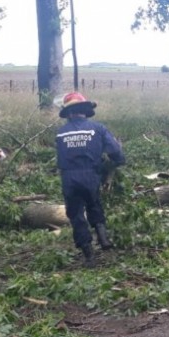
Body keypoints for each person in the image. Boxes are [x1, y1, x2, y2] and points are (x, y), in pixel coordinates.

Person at [56, 92, 126, 268]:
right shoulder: (98, 128)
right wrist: (118, 160)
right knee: (94, 203)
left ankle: (88, 255)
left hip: (69, 177)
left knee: (76, 215)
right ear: (85, 110)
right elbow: (114, 151)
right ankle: (103, 238)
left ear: (69, 113)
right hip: (91, 175)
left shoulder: (61, 133)